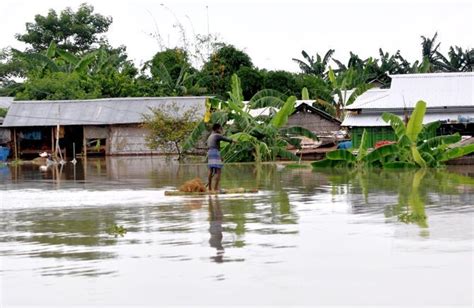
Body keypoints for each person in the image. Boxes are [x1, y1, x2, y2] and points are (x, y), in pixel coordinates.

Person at [207, 123, 236, 192]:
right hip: (215, 152)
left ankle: (210, 188)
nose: (221, 130)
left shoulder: (210, 136)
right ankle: (216, 188)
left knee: (211, 170)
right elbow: (226, 139)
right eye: (221, 129)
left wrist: (220, 157)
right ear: (217, 129)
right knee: (218, 171)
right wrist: (233, 141)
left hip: (210, 153)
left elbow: (214, 146)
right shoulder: (217, 135)